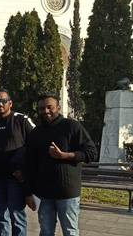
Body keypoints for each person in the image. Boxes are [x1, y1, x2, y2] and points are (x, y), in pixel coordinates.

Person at [25, 92, 97, 236]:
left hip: (67, 193)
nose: (45, 111)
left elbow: (91, 153)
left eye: (49, 107)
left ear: (58, 108)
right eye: (41, 108)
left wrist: (64, 155)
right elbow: (29, 164)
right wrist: (27, 193)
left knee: (70, 231)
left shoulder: (72, 126)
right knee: (45, 231)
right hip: (43, 194)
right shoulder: (36, 133)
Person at [0, 88, 35, 236]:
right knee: (0, 217)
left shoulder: (22, 120)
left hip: (16, 179)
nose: (0, 104)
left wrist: (24, 169)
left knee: (17, 216)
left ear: (10, 102)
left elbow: (34, 146)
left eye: (3, 101)